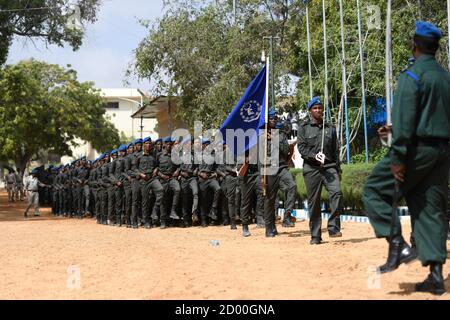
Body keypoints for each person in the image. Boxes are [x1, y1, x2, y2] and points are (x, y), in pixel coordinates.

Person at [363, 21, 449, 295]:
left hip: (415, 150)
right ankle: (436, 276)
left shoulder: (412, 76)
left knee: (375, 190)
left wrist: (398, 156)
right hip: (442, 152)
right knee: (430, 208)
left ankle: (398, 245)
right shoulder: (446, 78)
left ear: (414, 46)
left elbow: (405, 118)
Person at [298, 96, 343, 245]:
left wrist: (338, 169)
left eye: (320, 108)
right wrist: (314, 156)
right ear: (310, 111)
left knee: (337, 193)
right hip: (311, 169)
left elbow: (336, 150)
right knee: (314, 202)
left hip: (329, 167)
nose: (318, 110)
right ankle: (316, 235)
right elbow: (302, 148)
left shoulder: (330, 128)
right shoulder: (304, 127)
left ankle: (334, 228)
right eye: (315, 108)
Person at [157, 137, 182, 227]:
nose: (169, 146)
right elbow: (155, 169)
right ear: (164, 145)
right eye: (167, 144)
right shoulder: (159, 155)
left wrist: (178, 170)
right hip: (162, 179)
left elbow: (179, 166)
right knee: (163, 199)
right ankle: (163, 220)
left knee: (178, 189)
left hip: (172, 179)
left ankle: (173, 211)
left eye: (170, 144)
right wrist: (161, 175)